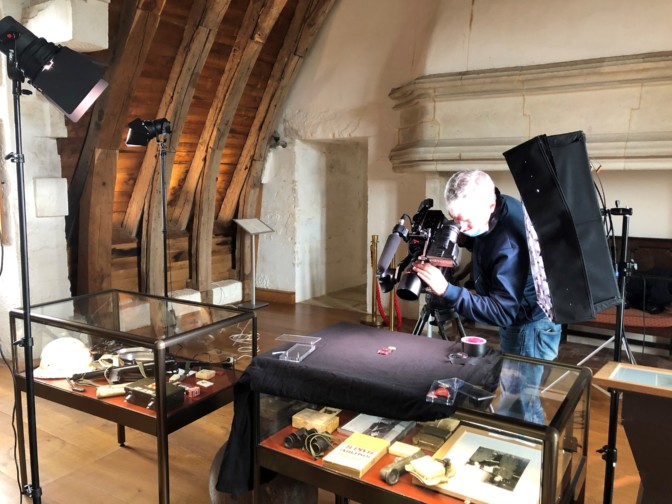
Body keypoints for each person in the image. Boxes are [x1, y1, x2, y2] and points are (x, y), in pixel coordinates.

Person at [412, 170, 561, 361]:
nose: (461, 226)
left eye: (466, 220)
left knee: (518, 391)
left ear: (490, 206)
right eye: (455, 218)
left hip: (529, 326)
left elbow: (503, 311)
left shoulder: (508, 243)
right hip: (524, 316)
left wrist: (447, 290)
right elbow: (489, 244)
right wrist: (466, 240)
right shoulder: (497, 205)